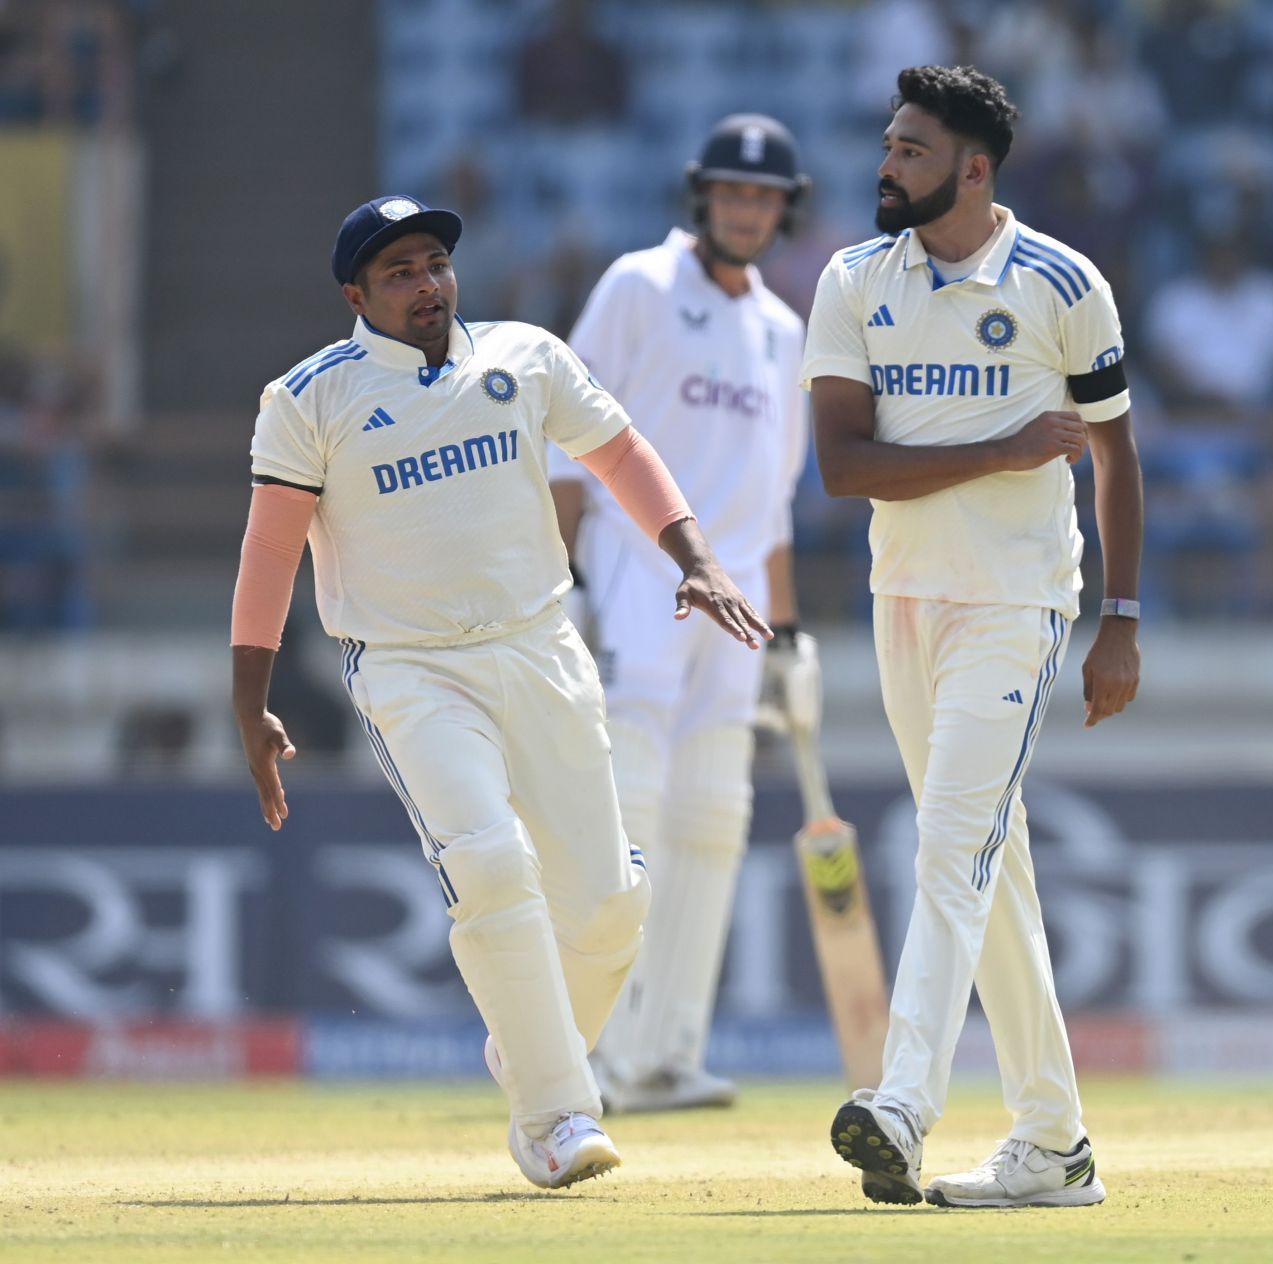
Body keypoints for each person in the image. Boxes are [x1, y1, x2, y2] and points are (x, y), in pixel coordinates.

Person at [229, 195, 770, 1188]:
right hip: (408, 666)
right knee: (489, 864)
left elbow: (621, 453)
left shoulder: (524, 356)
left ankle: (530, 1047)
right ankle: (558, 1114)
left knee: (611, 907)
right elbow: (269, 554)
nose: (427, 284)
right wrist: (249, 699)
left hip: (541, 646)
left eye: (436, 262)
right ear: (356, 294)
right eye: (400, 272)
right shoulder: (308, 398)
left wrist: (695, 558)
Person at [803, 65, 1142, 1208]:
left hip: (1016, 605)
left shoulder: (1061, 280)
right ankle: (1056, 1144)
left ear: (973, 167)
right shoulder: (854, 279)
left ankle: (901, 1102)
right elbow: (845, 468)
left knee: (949, 850)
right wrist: (999, 447)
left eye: (910, 150)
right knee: (991, 873)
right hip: (903, 599)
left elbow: (1115, 456)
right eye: (890, 145)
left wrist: (1120, 620)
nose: (887, 165)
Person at [548, 114, 813, 1113]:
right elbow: (564, 438)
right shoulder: (638, 286)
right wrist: (559, 576)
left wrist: (788, 639)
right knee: (630, 814)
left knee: (714, 819)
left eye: (766, 197)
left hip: (738, 614)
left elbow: (771, 500)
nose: (747, 209)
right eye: (733, 192)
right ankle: (597, 1052)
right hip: (632, 578)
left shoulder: (783, 331)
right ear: (703, 196)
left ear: (785, 210)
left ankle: (667, 1053)